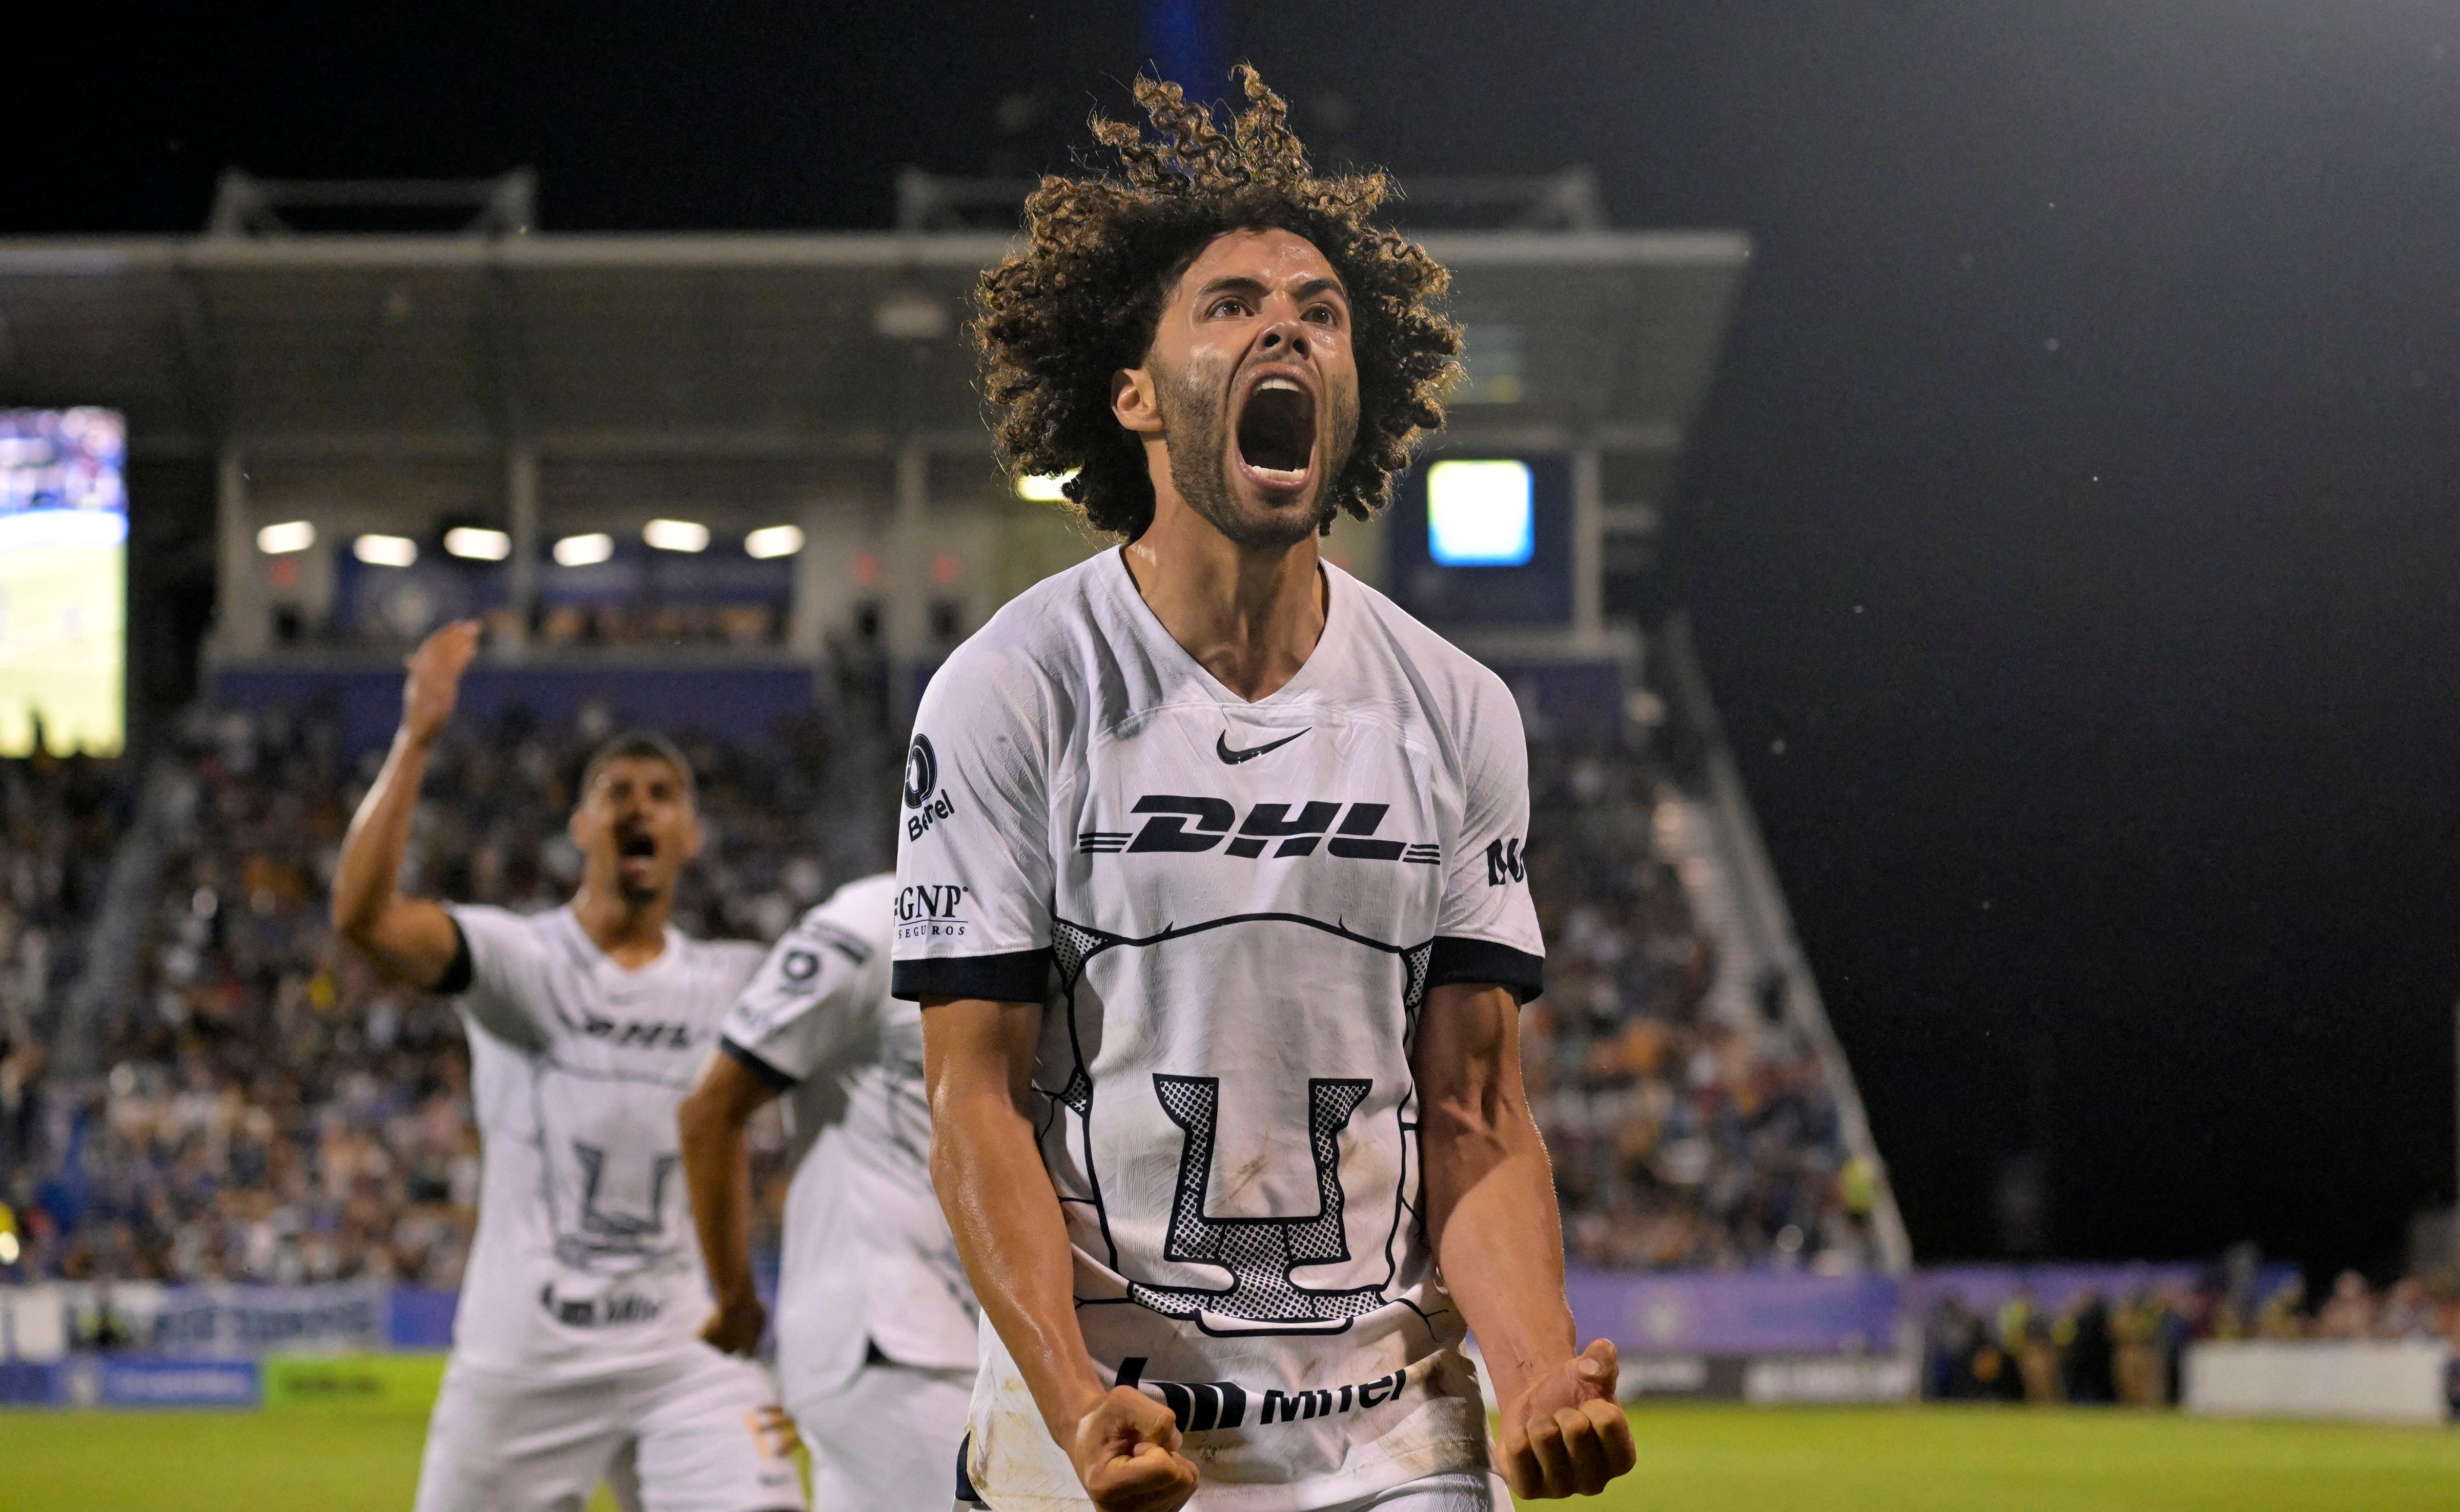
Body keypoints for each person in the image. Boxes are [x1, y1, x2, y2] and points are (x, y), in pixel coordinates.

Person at [899, 68, 1636, 1511]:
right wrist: (1070, 1397)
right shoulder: (1014, 687)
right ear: (1134, 397)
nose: (1285, 321)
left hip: (1386, 1430)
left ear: (1354, 391)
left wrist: (1539, 1362)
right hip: (1109, 1423)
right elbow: (970, 1099)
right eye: (1229, 303)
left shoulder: (1456, 707)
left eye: (1319, 308)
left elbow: (1477, 1105)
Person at [332, 619, 802, 1512]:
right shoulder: (519, 960)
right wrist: (416, 736)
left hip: (683, 1352)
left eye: (662, 793)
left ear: (691, 834)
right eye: (617, 790)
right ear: (581, 826)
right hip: (523, 1363)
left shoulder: (737, 979)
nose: (640, 805)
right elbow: (363, 916)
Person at [678, 872, 979, 1511]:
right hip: (890, 1336)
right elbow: (710, 1108)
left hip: (980, 1336)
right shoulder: (876, 917)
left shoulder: (1046, 917)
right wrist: (736, 1300)